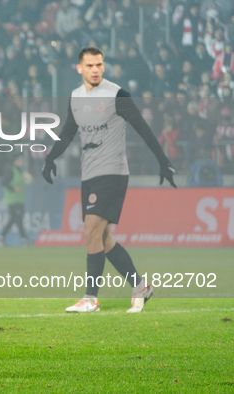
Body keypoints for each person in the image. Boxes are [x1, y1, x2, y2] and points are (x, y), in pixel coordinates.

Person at [42, 47, 177, 313]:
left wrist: (163, 160)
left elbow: (142, 128)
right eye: (90, 65)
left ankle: (90, 298)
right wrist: (50, 158)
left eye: (99, 65)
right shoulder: (76, 97)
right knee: (103, 238)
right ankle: (140, 286)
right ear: (79, 68)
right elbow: (68, 131)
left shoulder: (117, 95)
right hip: (89, 173)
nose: (95, 70)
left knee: (91, 229)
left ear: (104, 67)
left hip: (113, 171)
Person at [0, 154, 30, 247]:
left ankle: (0, 237)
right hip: (12, 199)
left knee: (14, 218)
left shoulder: (19, 171)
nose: (21, 162)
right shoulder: (10, 170)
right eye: (20, 160)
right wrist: (13, 188)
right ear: (15, 161)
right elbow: (4, 182)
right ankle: (24, 238)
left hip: (19, 199)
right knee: (17, 218)